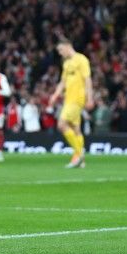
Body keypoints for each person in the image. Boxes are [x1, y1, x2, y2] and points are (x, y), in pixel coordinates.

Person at [49, 38, 93, 168]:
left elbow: (87, 79)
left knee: (61, 124)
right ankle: (81, 161)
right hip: (68, 99)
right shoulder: (67, 63)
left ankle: (79, 154)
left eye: (61, 50)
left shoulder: (82, 60)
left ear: (68, 46)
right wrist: (55, 95)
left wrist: (90, 98)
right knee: (76, 129)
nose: (60, 53)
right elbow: (62, 82)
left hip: (77, 99)